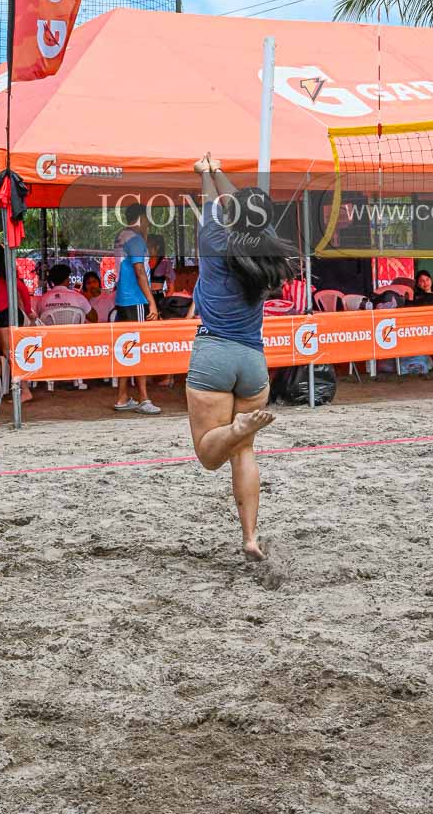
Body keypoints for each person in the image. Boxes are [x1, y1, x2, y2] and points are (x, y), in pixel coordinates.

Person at [186, 154, 296, 561]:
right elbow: (240, 207)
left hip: (215, 353)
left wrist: (204, 173)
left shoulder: (215, 242)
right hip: (252, 360)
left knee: (208, 454)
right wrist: (216, 171)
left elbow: (214, 204)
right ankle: (250, 538)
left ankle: (236, 428)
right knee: (244, 451)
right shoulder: (266, 244)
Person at [112, 202, 161, 415]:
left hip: (123, 300)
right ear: (142, 218)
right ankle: (143, 397)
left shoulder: (121, 236)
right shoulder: (136, 240)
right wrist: (152, 301)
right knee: (138, 348)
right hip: (136, 299)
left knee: (127, 346)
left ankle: (122, 396)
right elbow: (140, 271)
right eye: (148, 220)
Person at [0, 240, 34, 402]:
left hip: (9, 315)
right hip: (0, 316)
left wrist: (28, 310)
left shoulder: (4, 271)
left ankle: (25, 390)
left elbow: (22, 289)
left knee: (10, 354)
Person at [147, 234, 175, 311]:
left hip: (158, 298)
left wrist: (164, 303)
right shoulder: (144, 262)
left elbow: (171, 288)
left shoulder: (164, 262)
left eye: (149, 247)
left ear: (157, 247)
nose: (147, 249)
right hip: (145, 298)